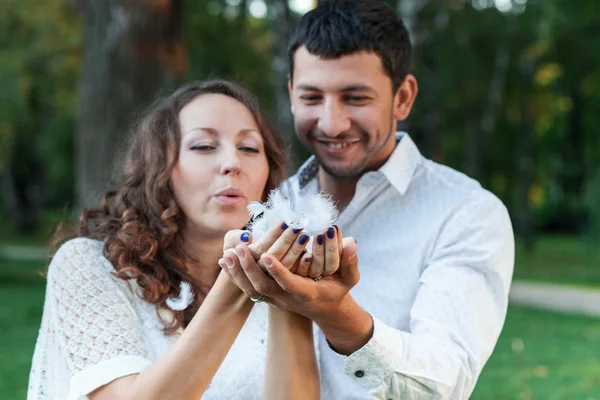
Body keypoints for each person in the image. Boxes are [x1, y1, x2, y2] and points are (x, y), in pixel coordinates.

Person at [223, 1, 515, 399]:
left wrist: (336, 313)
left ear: (403, 97)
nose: (331, 123)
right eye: (311, 97)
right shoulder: (262, 203)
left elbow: (443, 385)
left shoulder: (466, 213)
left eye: (355, 98)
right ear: (291, 94)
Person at [27, 80, 329, 400]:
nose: (232, 163)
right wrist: (236, 281)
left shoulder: (277, 271)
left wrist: (287, 293)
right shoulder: (88, 265)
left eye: (250, 148)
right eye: (203, 146)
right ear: (160, 166)